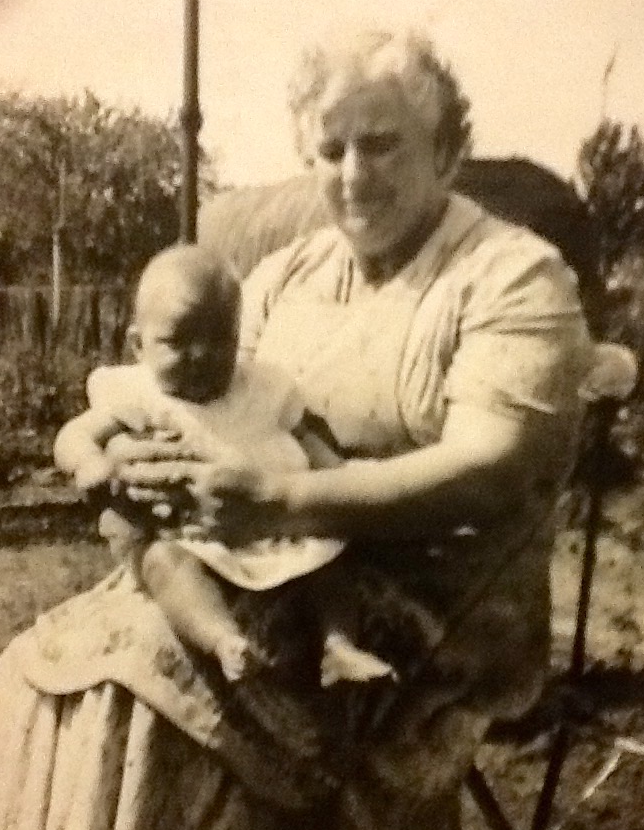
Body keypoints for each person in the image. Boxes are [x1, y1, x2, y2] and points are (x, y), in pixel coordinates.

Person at [0, 25, 593, 830]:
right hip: (252, 559)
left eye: (383, 144)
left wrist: (284, 497)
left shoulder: (513, 277)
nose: (355, 175)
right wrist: (148, 469)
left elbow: (489, 466)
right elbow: (201, 400)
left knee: (144, 682)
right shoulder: (285, 277)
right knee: (45, 668)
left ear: (450, 150)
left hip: (438, 598)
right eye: (333, 148)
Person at [54, 243, 395, 687]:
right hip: (192, 538)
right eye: (179, 340)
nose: (203, 354)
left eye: (220, 338)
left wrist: (339, 476)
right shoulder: (137, 393)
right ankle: (222, 638)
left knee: (330, 559)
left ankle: (339, 646)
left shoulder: (264, 385)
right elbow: (73, 435)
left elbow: (309, 439)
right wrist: (89, 465)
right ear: (139, 345)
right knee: (162, 564)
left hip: (279, 529)